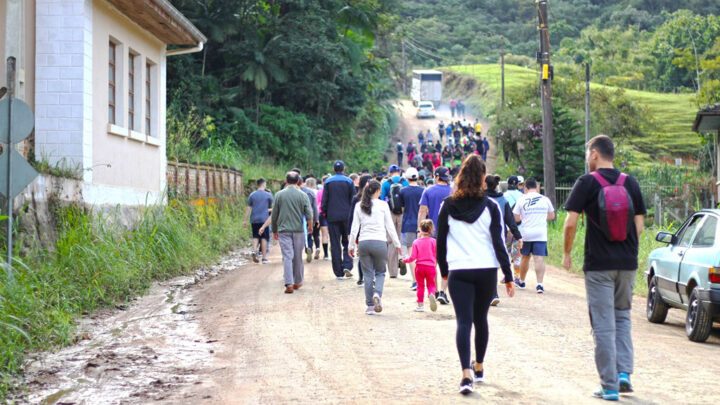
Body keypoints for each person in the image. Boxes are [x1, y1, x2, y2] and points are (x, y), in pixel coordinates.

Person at [562, 135, 646, 401]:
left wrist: (566, 253)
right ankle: (624, 374)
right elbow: (639, 226)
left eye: (588, 153)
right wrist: (627, 251)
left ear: (595, 154)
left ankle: (609, 386)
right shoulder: (630, 182)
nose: (587, 158)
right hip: (627, 264)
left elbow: (570, 222)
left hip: (599, 265)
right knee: (622, 318)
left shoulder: (586, 182)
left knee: (603, 325)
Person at [436, 154, 515, 395]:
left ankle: (465, 375)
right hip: (485, 270)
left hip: (459, 270)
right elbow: (499, 243)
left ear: (460, 176)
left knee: (463, 322)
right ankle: (479, 366)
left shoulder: (448, 205)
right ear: (483, 177)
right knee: (481, 320)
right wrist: (508, 274)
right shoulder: (491, 207)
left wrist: (445, 273)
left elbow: (440, 243)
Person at [349, 180, 401, 315]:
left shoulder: (358, 205)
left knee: (367, 275)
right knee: (380, 272)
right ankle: (377, 293)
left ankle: (370, 306)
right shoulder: (383, 205)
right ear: (377, 191)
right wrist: (397, 244)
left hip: (364, 243)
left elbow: (354, 228)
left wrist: (351, 246)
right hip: (380, 243)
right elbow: (390, 227)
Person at [262, 171, 313, 294]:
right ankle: (298, 281)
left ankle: (289, 283)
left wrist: (274, 230)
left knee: (287, 257)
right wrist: (310, 226)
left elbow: (274, 215)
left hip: (284, 231)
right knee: (297, 256)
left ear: (286, 181)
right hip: (298, 230)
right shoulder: (302, 195)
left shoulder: (279, 195)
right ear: (298, 181)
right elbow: (309, 213)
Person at [512, 178, 555, 293]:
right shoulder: (545, 199)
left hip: (526, 232)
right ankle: (540, 284)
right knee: (539, 258)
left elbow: (515, 218)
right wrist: (541, 217)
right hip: (540, 233)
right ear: (536, 187)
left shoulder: (522, 199)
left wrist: (524, 218)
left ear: (525, 188)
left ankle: (521, 281)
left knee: (525, 257)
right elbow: (551, 216)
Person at [485, 174, 523, 306]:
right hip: (498, 235)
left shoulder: (480, 198)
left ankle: (485, 292)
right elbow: (510, 221)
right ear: (497, 186)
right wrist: (518, 236)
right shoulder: (502, 200)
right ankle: (493, 293)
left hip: (481, 235)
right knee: (493, 265)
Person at [418, 166, 453, 305]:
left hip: (431, 234)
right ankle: (443, 292)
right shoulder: (454, 191)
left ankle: (434, 290)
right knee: (446, 263)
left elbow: (422, 211)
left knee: (432, 263)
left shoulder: (428, 190)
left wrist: (420, 231)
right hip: (450, 234)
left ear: (437, 177)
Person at [321, 160, 355, 280]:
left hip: (332, 217)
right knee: (347, 241)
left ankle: (338, 272)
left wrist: (325, 214)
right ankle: (347, 265)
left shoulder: (328, 182)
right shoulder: (349, 181)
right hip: (347, 217)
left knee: (335, 244)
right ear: (344, 169)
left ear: (334, 169)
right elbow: (353, 200)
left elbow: (324, 201)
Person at [404, 219, 438, 312]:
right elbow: (436, 254)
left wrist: (405, 261)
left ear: (420, 230)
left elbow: (413, 257)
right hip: (431, 267)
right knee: (431, 284)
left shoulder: (416, 242)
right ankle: (432, 295)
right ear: (431, 230)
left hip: (419, 267)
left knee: (420, 286)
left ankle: (420, 305)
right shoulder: (434, 242)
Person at [380, 165, 409, 278]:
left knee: (391, 240)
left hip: (390, 213)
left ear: (390, 172)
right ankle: (402, 258)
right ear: (399, 171)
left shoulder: (386, 183)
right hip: (403, 213)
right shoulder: (405, 182)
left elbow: (381, 198)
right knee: (402, 238)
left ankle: (392, 272)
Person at [399, 167, 424, 291]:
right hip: (422, 225)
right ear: (417, 177)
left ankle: (415, 282)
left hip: (408, 224)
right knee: (421, 255)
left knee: (411, 254)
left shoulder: (403, 191)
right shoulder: (423, 191)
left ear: (407, 178)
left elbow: (402, 209)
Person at [349, 174, 373, 286]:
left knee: (361, 254)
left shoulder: (356, 198)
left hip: (360, 229)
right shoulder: (376, 198)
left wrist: (350, 232)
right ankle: (371, 277)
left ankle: (361, 278)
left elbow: (351, 217)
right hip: (373, 228)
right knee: (372, 255)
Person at [244, 178, 274, 264]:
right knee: (264, 237)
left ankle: (254, 250)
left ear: (258, 185)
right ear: (264, 185)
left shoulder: (252, 195)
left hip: (254, 219)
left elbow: (248, 208)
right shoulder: (268, 195)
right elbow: (274, 206)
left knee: (255, 236)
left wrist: (245, 220)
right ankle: (264, 258)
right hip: (264, 219)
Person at [305, 177, 322, 260]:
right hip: (314, 214)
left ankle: (309, 248)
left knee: (308, 233)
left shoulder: (303, 191)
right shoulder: (316, 192)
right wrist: (317, 219)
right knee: (316, 234)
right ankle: (318, 247)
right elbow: (316, 206)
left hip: (305, 216)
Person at [316, 174, 331, 260]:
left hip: (322, 214)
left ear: (322, 182)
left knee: (324, 235)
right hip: (332, 214)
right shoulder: (333, 191)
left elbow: (317, 204)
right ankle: (333, 250)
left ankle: (326, 254)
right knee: (333, 234)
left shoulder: (320, 191)